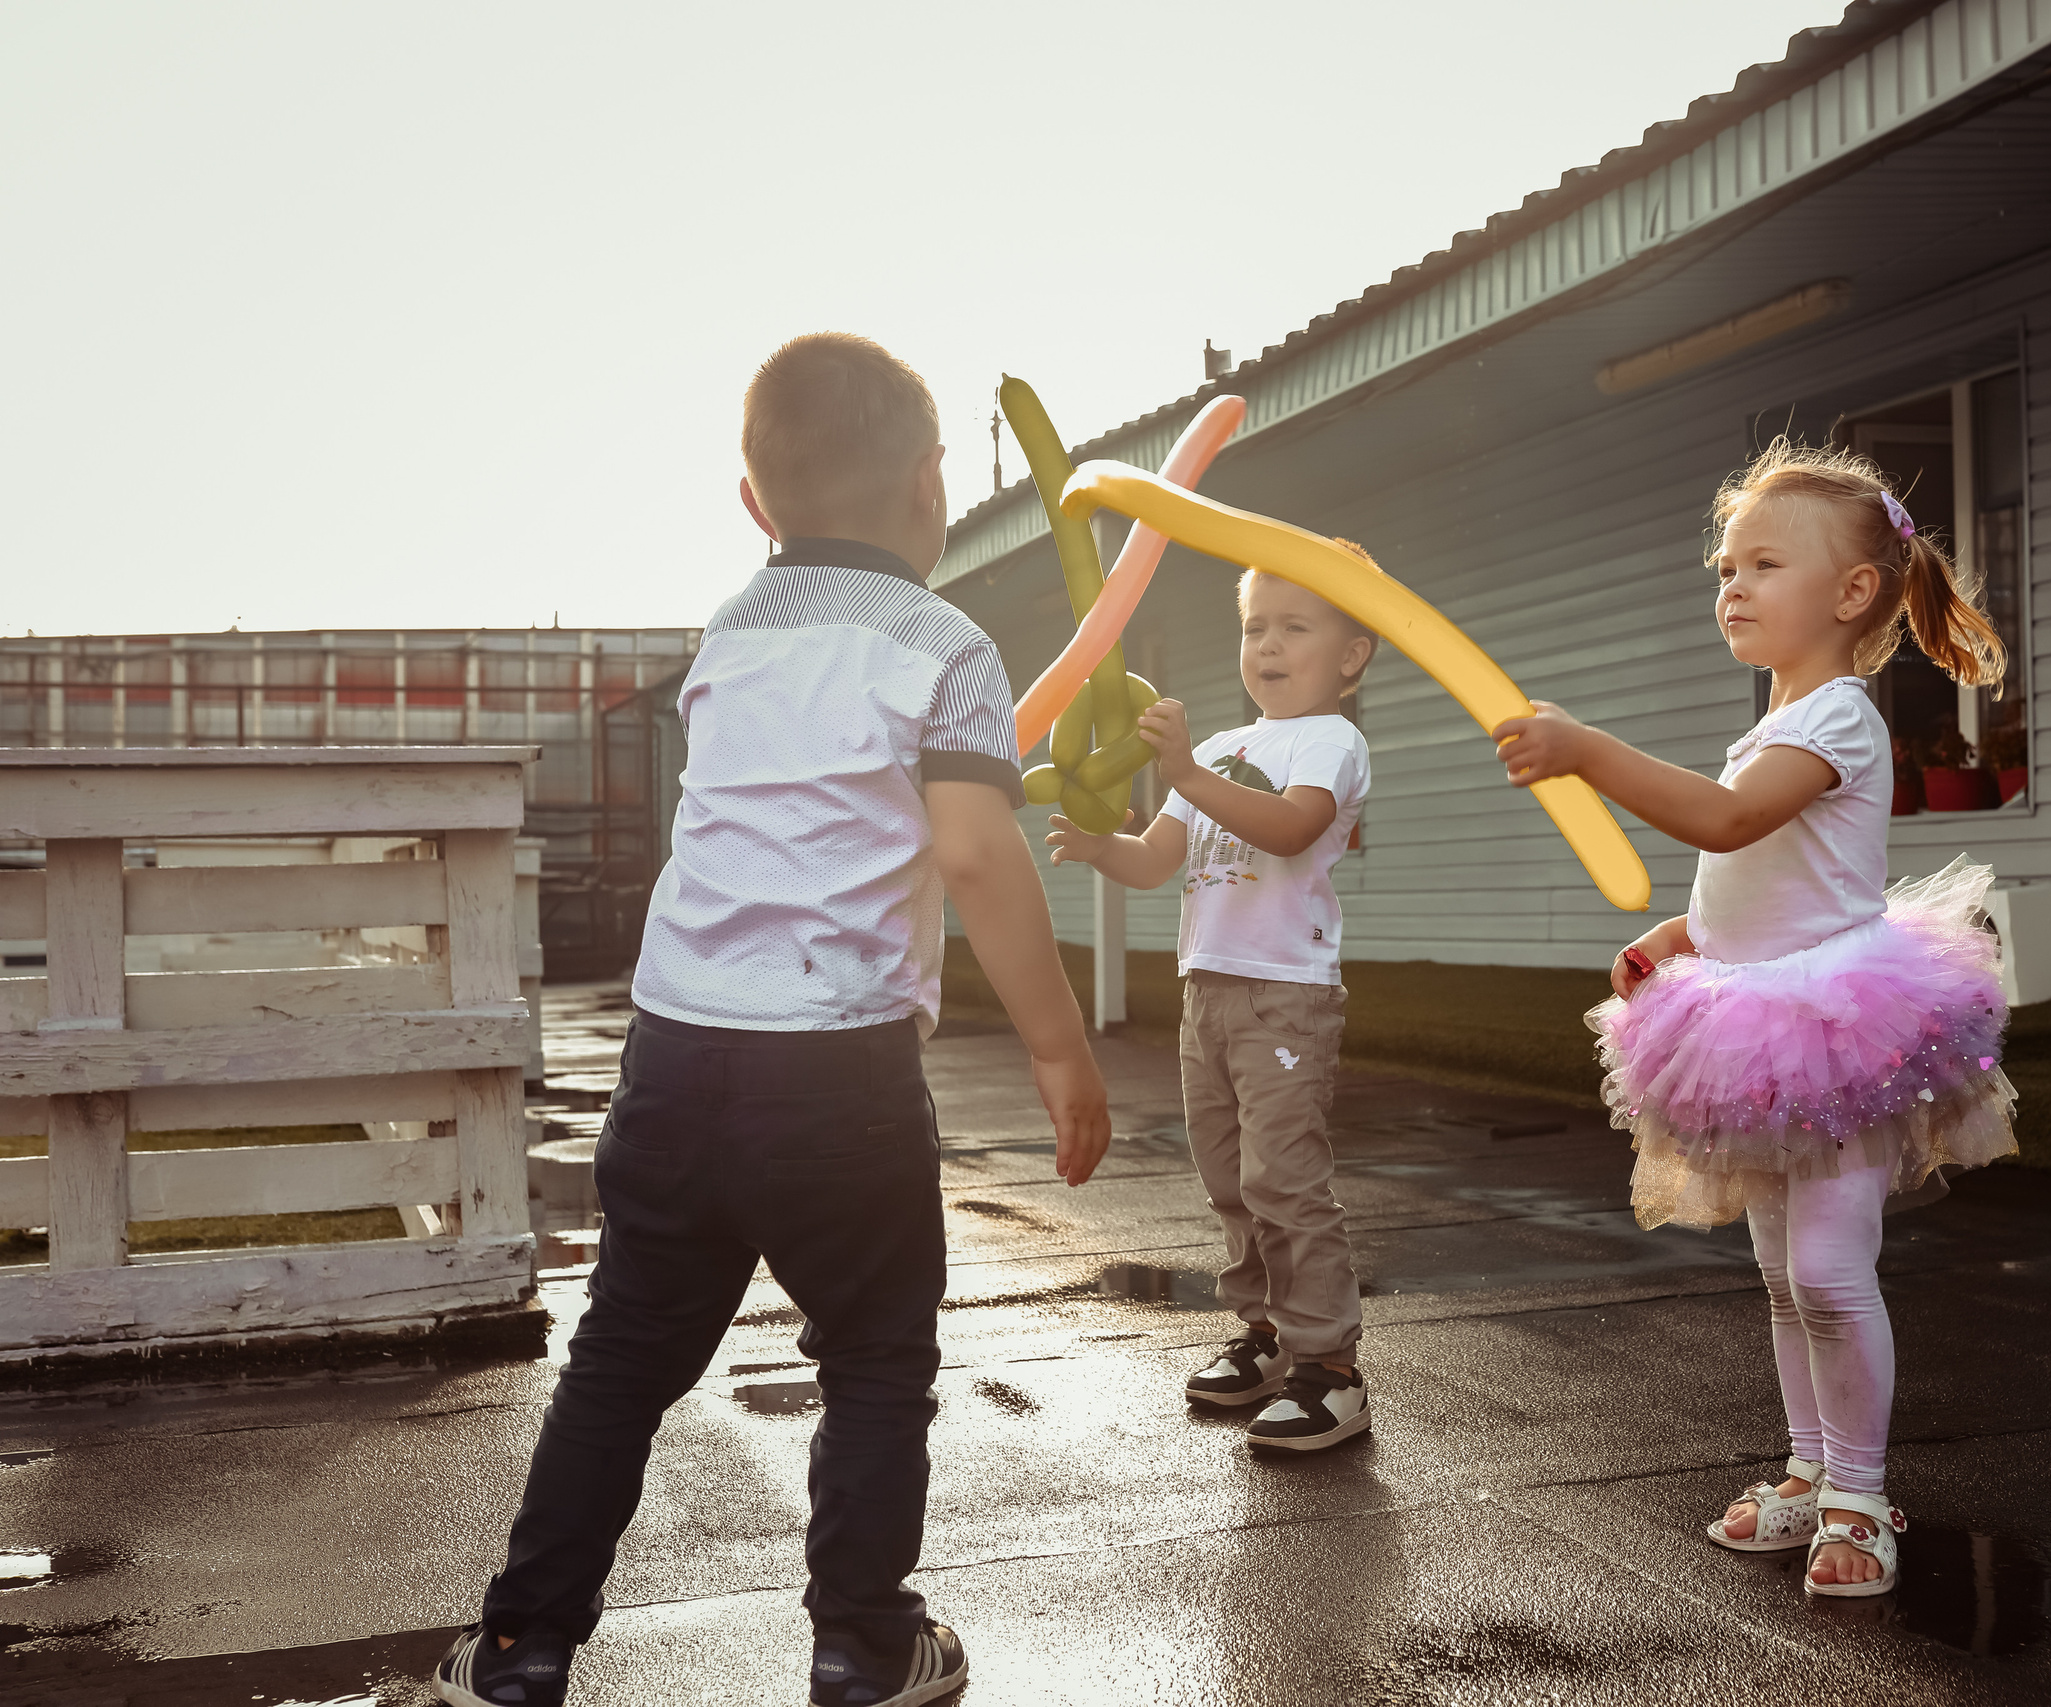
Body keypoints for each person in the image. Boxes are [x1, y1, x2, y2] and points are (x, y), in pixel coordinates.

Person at [433, 333, 1112, 1707]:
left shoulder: (732, 634)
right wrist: (1059, 1046)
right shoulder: (946, 641)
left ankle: (519, 1645)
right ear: (934, 484)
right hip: (838, 1068)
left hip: (677, 1052)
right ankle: (864, 1642)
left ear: (755, 503)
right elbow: (976, 852)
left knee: (621, 1357)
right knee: (872, 1354)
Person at [1491, 438, 2017, 1600]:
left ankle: (1863, 1495)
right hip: (1762, 1027)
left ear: (1851, 592)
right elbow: (1763, 878)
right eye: (1724, 566)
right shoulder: (1781, 720)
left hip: (1836, 1033)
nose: (1730, 584)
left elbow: (1729, 826)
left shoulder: (1835, 719)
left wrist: (1585, 751)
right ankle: (1810, 1469)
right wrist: (1681, 940)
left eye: (1761, 563)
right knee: (1783, 1279)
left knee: (1829, 1275)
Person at [1045, 559, 1377, 1452]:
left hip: (1285, 996)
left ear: (1352, 655)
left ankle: (1331, 1369)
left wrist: (1185, 771)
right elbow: (1157, 861)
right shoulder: (1227, 746)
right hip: (1209, 989)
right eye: (1253, 626)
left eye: (1293, 626)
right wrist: (1096, 843)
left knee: (1284, 1178)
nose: (1266, 644)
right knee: (1230, 1177)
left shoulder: (1329, 743)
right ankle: (1265, 1333)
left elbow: (1291, 827)